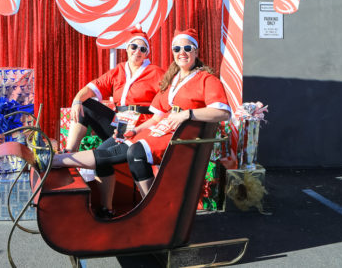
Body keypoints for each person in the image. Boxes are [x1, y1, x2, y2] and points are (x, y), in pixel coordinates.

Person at [53, 28, 230, 218]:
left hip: (175, 135)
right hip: (142, 126)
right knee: (109, 148)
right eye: (177, 49)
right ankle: (62, 157)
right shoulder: (173, 81)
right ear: (127, 49)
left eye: (187, 48)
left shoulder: (202, 78)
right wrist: (134, 130)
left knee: (130, 152)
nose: (182, 52)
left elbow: (223, 111)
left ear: (196, 51)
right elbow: (158, 115)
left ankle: (152, 210)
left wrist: (187, 114)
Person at [64, 27, 163, 153]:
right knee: (85, 104)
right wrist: (77, 101)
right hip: (119, 122)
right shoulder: (119, 70)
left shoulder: (156, 72)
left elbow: (168, 100)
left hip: (139, 125)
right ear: (127, 48)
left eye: (142, 49)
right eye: (134, 47)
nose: (137, 51)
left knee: (100, 155)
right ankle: (69, 152)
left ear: (146, 53)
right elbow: (92, 87)